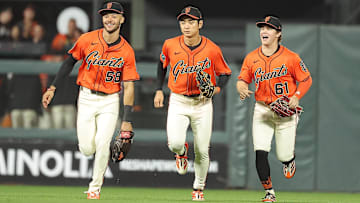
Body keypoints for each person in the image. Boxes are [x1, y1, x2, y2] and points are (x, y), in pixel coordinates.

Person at [42, 0, 140, 199]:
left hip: (110, 99)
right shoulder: (87, 39)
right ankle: (101, 154)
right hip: (86, 97)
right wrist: (53, 87)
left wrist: (127, 119)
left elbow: (129, 86)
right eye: (106, 15)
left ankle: (95, 187)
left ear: (122, 19)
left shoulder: (127, 50)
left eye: (114, 15)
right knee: (87, 148)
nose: (109, 18)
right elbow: (69, 62)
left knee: (103, 143)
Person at [153, 6, 232, 201]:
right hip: (178, 100)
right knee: (175, 143)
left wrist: (216, 89)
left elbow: (225, 74)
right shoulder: (170, 44)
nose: (186, 26)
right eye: (183, 22)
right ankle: (181, 153)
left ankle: (198, 188)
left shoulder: (212, 49)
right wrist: (158, 90)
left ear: (200, 24)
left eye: (191, 22)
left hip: (202, 103)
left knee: (203, 150)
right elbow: (161, 66)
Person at [236, 15, 312, 202]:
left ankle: (289, 160)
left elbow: (306, 79)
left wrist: (296, 96)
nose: (264, 31)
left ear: (278, 33)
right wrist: (242, 88)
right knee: (260, 151)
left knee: (283, 154)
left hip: (285, 111)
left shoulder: (291, 57)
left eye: (269, 28)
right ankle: (269, 193)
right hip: (262, 109)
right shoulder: (252, 57)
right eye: (262, 28)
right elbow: (242, 80)